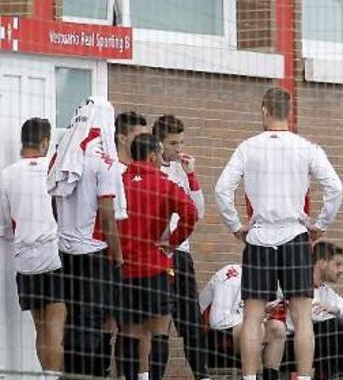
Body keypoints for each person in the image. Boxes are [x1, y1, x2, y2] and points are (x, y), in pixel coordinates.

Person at [215, 87, 343, 380]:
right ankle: (304, 377)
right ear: (290, 112)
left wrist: (235, 225)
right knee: (302, 316)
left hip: (259, 237)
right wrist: (321, 224)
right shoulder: (306, 146)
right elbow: (336, 187)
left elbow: (222, 189)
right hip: (295, 236)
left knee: (252, 315)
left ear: (264, 110)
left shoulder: (248, 147)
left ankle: (249, 377)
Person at [48, 97, 126, 377]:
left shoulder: (61, 156)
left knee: (72, 319)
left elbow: (53, 203)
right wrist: (117, 254)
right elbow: (108, 214)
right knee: (91, 320)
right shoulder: (104, 161)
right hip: (94, 253)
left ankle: (72, 373)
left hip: (64, 252)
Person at [116, 133, 198, 380]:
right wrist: (172, 243)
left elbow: (102, 219)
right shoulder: (165, 184)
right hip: (155, 266)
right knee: (159, 330)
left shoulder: (118, 182)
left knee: (129, 330)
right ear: (152, 155)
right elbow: (191, 214)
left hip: (124, 268)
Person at [0, 118, 65, 378]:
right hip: (53, 255)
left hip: (25, 259)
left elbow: (5, 223)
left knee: (41, 328)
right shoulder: (53, 170)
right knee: (56, 327)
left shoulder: (7, 174)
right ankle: (53, 377)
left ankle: (46, 376)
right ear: (45, 141)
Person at [152, 114, 211, 380]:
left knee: (190, 320)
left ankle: (202, 373)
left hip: (181, 253)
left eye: (181, 142)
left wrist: (191, 175)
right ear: (159, 143)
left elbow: (198, 212)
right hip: (157, 255)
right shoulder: (150, 170)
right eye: (173, 143)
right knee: (158, 322)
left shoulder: (180, 170)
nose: (178, 148)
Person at [281, 241, 343, 379]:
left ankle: (337, 377)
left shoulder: (326, 291)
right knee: (332, 326)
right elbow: (315, 315)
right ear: (322, 263)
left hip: (316, 346)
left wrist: (336, 309)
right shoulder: (299, 283)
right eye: (337, 264)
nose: (341, 270)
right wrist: (331, 314)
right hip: (288, 347)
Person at [198, 264, 287, 377]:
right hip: (209, 335)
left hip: (244, 331)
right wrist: (257, 316)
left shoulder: (275, 284)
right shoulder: (232, 276)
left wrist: (264, 313)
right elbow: (217, 322)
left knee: (277, 328)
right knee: (256, 328)